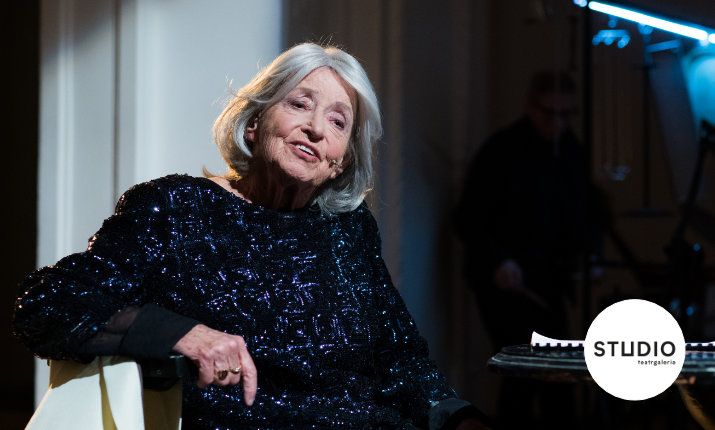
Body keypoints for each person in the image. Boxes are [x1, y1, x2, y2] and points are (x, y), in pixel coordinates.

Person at [13, 43, 488, 429]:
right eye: (299, 104)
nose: (315, 128)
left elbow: (398, 358)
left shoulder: (349, 229)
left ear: (342, 160)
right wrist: (182, 333)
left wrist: (458, 418)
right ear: (255, 122)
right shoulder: (177, 207)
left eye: (337, 121)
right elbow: (46, 304)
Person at [455, 71, 593, 428]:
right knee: (525, 371)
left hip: (546, 280)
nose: (558, 123)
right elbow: (468, 217)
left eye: (567, 114)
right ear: (532, 107)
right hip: (502, 281)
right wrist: (499, 261)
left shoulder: (571, 150)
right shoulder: (502, 150)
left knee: (559, 376)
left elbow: (581, 211)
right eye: (550, 113)